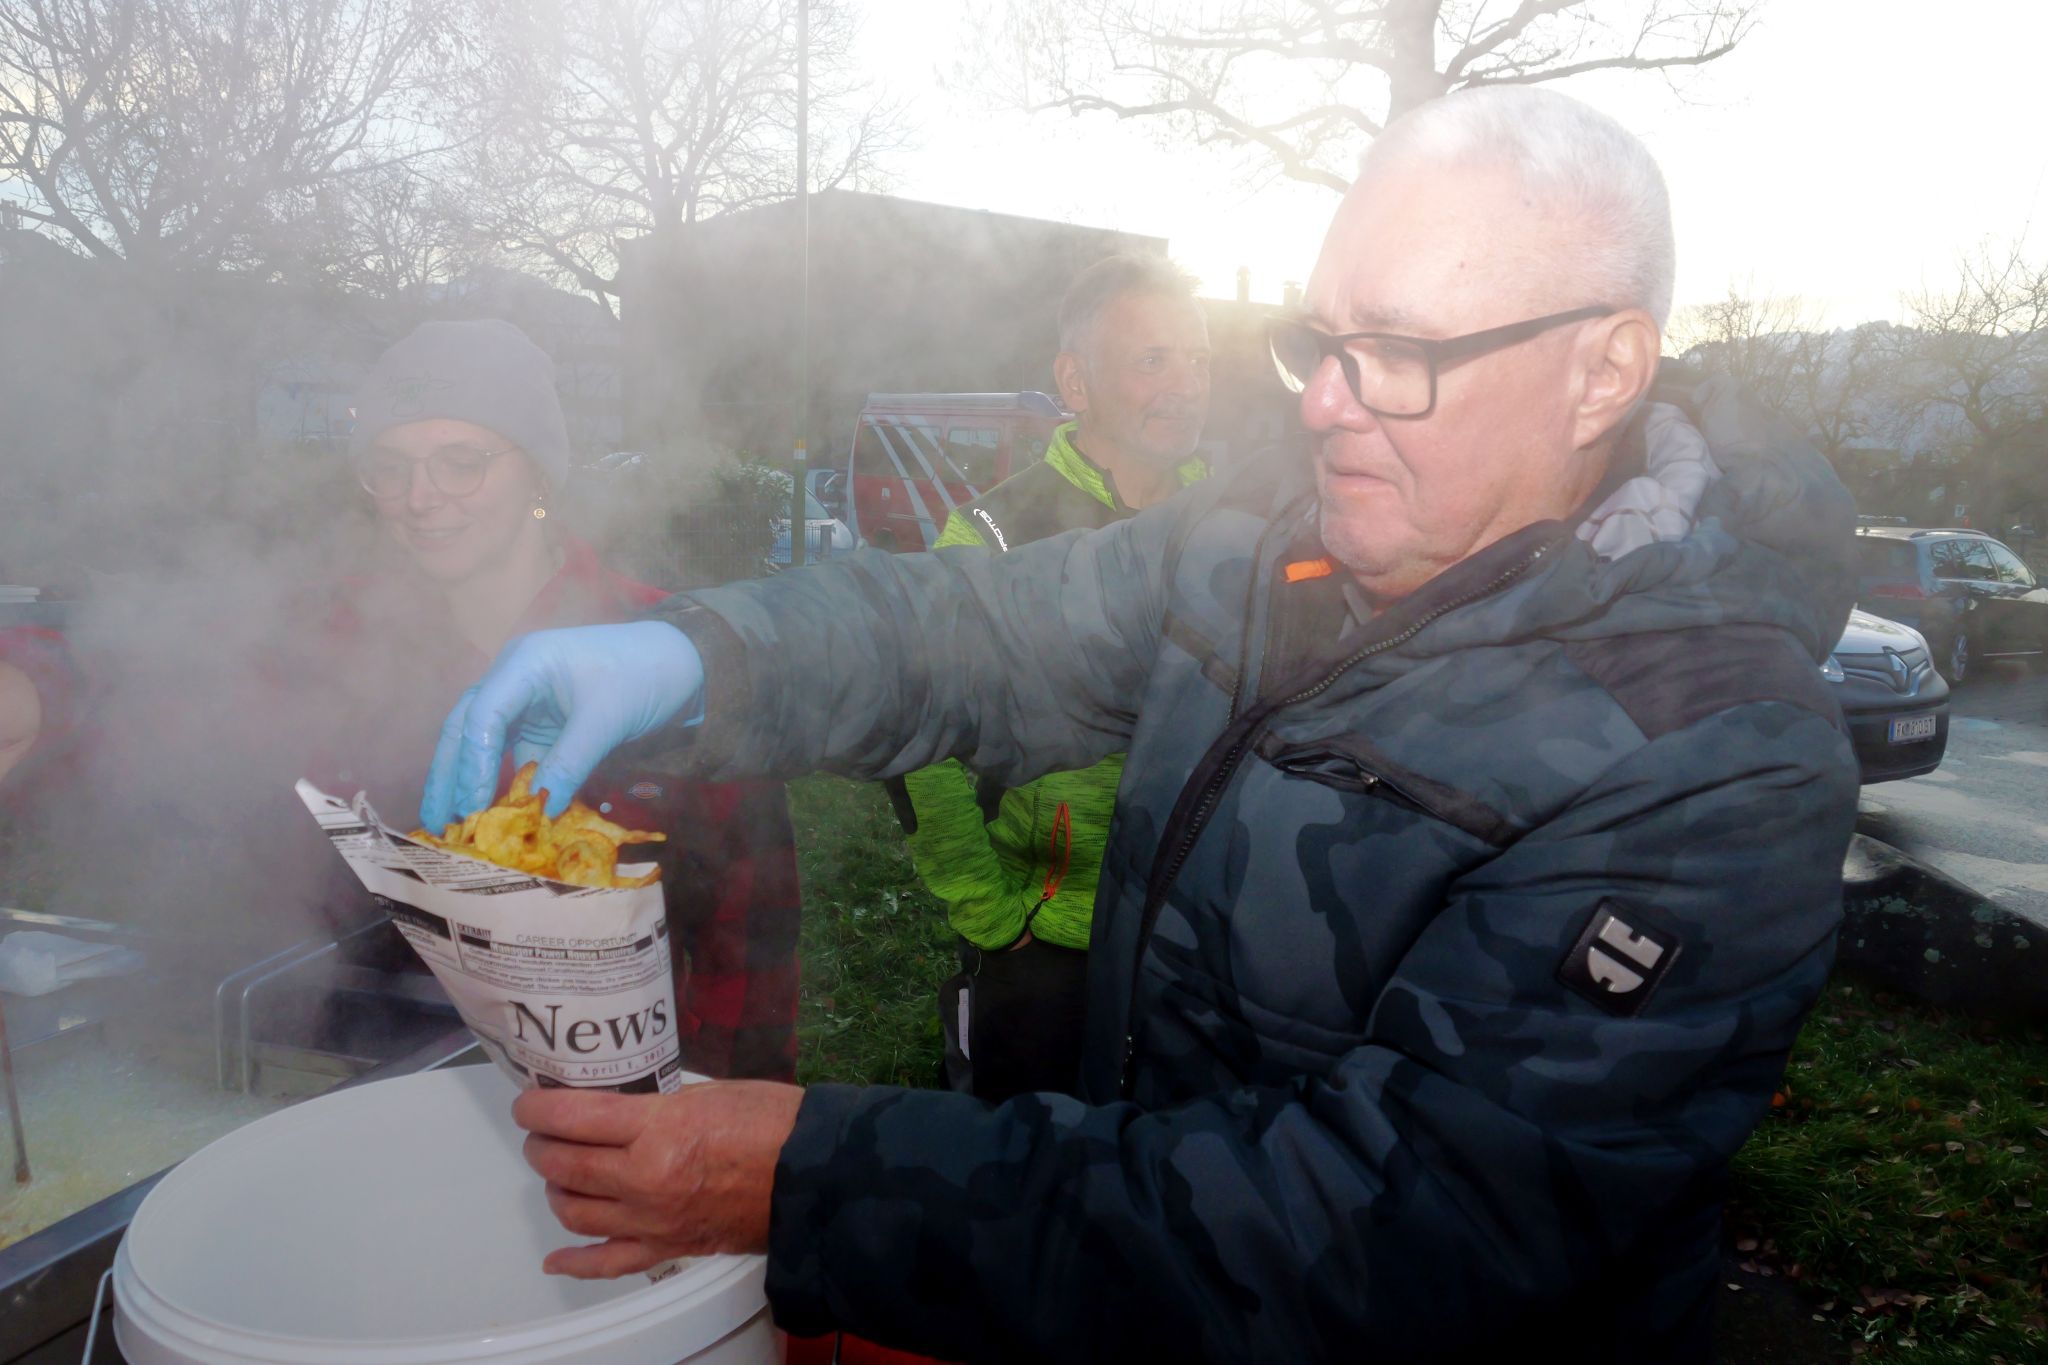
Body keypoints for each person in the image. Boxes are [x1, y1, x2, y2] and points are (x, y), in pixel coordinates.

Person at [427, 89, 1861, 1362]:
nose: (1333, 407)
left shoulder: (1717, 758)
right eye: (1322, 343)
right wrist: (697, 654)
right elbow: (976, 629)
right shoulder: (1253, 556)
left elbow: (1386, 1233)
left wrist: (813, 1181)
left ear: (1604, 371)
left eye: (1404, 351)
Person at [889, 252, 1210, 1101]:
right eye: (1153, 359)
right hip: (1047, 950)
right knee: (1017, 1204)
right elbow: (918, 738)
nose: (1187, 383)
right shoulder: (998, 537)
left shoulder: (1239, 526)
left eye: (1198, 357)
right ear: (1075, 379)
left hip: (1197, 944)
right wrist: (994, 915)